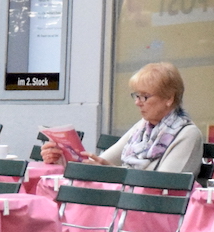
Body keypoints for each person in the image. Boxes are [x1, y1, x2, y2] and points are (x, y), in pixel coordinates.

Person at [42, 61, 204, 175]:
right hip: (127, 205)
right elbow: (102, 162)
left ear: (169, 98)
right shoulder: (143, 127)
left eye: (145, 97)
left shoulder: (187, 134)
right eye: (136, 95)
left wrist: (111, 173)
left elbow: (165, 184)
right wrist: (62, 157)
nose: (137, 103)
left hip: (156, 213)